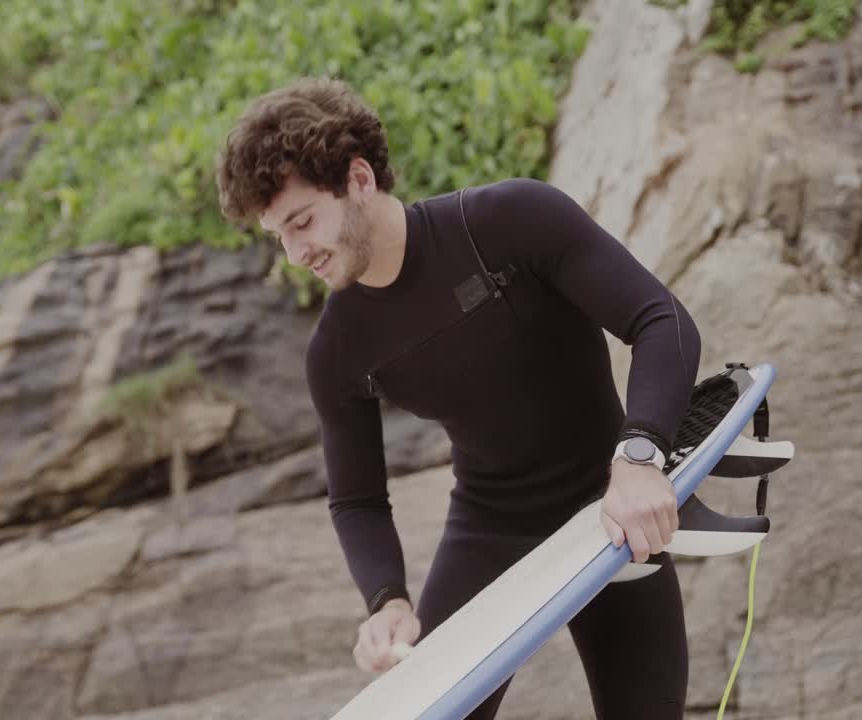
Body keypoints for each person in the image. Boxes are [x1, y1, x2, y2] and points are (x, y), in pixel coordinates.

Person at [214, 76, 700, 719]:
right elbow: (357, 498)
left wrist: (640, 458)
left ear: (359, 179)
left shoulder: (508, 223)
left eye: (302, 221)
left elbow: (661, 321)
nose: (296, 251)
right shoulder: (336, 350)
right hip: (490, 526)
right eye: (278, 234)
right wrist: (386, 600)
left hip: (612, 500)